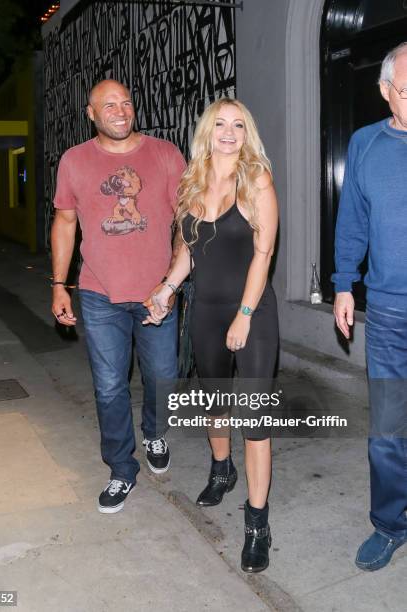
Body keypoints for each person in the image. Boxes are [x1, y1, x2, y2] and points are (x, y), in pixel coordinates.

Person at [144, 98, 279, 572]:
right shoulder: (191, 183)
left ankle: (257, 522)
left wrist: (244, 314)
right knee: (214, 402)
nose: (228, 132)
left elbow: (263, 255)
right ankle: (222, 468)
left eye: (238, 125)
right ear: (207, 131)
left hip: (252, 311)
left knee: (255, 418)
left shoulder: (257, 180)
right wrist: (165, 290)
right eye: (220, 124)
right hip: (204, 310)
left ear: (247, 133)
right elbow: (187, 252)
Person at [51, 79, 186, 513]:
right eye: (108, 105)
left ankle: (154, 431)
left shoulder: (165, 154)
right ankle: (121, 469)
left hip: (157, 293)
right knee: (109, 388)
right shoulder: (74, 161)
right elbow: (65, 223)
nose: (120, 110)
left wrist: (171, 283)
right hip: (97, 292)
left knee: (162, 379)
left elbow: (188, 222)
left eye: (126, 101)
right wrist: (58, 284)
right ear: (91, 113)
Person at [333, 42, 407, 571]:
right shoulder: (365, 144)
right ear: (385, 92)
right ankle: (390, 523)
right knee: (389, 428)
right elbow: (353, 221)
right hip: (388, 315)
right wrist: (342, 284)